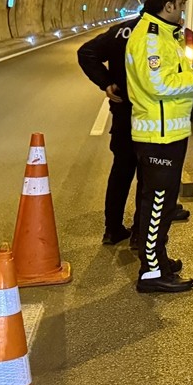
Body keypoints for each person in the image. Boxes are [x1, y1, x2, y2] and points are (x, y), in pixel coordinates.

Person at [124, 0, 193, 293]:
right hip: (157, 136)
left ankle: (158, 259)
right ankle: (151, 272)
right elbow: (159, 84)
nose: (184, 8)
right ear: (168, 5)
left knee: (162, 205)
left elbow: (172, 75)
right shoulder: (151, 39)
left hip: (169, 132)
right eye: (182, 3)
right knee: (157, 205)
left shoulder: (165, 34)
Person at [77, 13, 141, 245]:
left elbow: (86, 52)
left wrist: (106, 82)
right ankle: (140, 232)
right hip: (150, 116)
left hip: (122, 112)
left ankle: (112, 229)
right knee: (148, 176)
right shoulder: (157, 33)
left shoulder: (121, 31)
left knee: (121, 172)